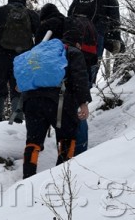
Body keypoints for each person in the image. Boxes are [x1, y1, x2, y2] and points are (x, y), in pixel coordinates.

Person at [21, 20, 91, 179]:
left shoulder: (40, 52)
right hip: (57, 101)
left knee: (33, 141)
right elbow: (80, 78)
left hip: (30, 100)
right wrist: (83, 103)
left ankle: (27, 178)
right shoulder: (72, 51)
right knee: (67, 137)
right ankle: (61, 178)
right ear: (78, 42)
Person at [68, 0, 122, 154]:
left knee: (71, 84)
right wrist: (116, 44)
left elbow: (69, 18)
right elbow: (114, 26)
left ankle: (67, 138)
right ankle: (79, 144)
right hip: (93, 43)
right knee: (84, 85)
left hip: (72, 43)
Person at [0, 0, 39, 125]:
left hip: (0, 56)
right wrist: (31, 53)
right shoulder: (31, 14)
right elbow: (41, 35)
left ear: (9, 0)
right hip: (22, 57)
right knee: (18, 87)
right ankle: (18, 118)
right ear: (24, 2)